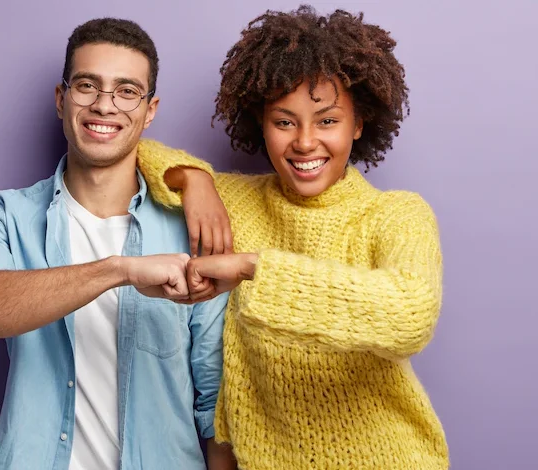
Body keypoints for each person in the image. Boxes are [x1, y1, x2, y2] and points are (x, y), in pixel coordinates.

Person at [136, 5, 450, 469]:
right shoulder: (239, 201)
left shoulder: (396, 214)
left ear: (358, 124)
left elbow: (411, 315)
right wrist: (195, 179)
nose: (304, 142)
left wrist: (253, 268)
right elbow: (134, 148)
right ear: (260, 126)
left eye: (327, 121)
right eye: (285, 122)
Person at [0, 18, 234, 470]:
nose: (104, 106)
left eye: (126, 91)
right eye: (87, 86)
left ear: (149, 110)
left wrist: (195, 178)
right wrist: (118, 270)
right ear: (62, 99)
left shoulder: (192, 231)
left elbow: (215, 402)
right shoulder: (5, 216)